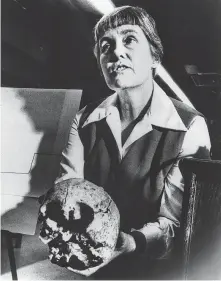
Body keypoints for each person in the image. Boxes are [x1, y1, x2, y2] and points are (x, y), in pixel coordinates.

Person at [56, 5, 211, 279]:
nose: (116, 52)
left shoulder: (189, 127)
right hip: (92, 268)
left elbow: (178, 226)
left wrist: (129, 242)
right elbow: (68, 192)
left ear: (154, 56)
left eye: (129, 39)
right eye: (106, 46)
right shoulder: (84, 120)